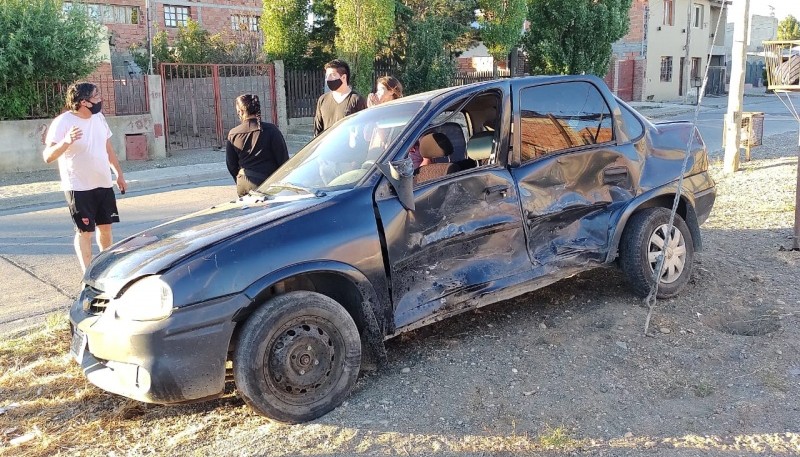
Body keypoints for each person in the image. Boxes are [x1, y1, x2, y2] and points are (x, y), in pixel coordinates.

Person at [42, 82, 127, 273]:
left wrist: (119, 174)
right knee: (85, 232)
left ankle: (107, 269)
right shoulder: (63, 122)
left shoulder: (99, 119)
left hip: (103, 183)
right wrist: (66, 141)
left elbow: (108, 149)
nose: (100, 100)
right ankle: (87, 274)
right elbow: (47, 157)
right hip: (78, 187)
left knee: (106, 228)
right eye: (96, 97)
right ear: (83, 102)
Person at [226, 94, 290, 197]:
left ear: (241, 112)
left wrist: (240, 179)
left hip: (243, 183)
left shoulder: (233, 133)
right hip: (266, 183)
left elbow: (231, 165)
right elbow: (283, 160)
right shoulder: (271, 130)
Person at [313, 59, 367, 137]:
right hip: (327, 147)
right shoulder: (323, 100)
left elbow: (362, 130)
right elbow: (317, 131)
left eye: (332, 75)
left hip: (348, 148)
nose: (328, 78)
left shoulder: (356, 100)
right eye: (327, 75)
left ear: (344, 77)